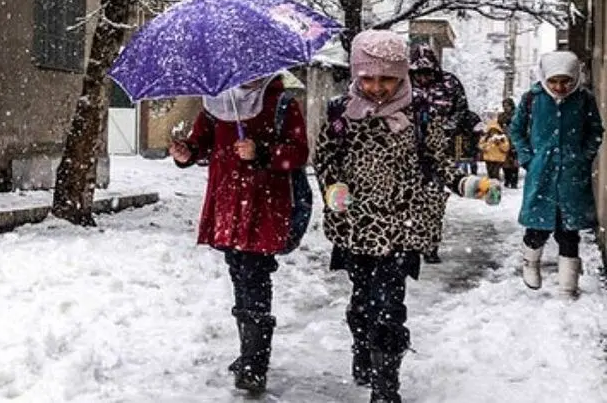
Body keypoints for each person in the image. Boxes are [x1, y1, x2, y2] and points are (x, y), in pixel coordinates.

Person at [315, 31, 501, 403]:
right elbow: (325, 156)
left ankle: (386, 385)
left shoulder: (420, 111)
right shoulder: (341, 110)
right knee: (362, 302)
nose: (377, 87)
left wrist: (467, 184)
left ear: (402, 75)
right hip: (355, 226)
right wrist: (333, 188)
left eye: (387, 79)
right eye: (368, 78)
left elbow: (436, 160)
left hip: (402, 227)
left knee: (390, 307)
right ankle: (363, 347)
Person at [169, 74, 309, 394]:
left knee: (255, 275)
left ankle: (254, 362)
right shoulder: (217, 103)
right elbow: (201, 145)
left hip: (265, 205)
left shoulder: (282, 104)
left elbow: (298, 153)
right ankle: (249, 350)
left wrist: (261, 152)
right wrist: (187, 152)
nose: (250, 75)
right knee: (238, 273)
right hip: (228, 202)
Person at [508, 51, 603, 296]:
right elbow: (516, 130)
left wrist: (584, 157)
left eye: (566, 81)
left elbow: (595, 130)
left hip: (572, 176)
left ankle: (567, 286)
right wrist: (528, 158)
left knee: (569, 232)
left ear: (575, 78)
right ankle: (530, 261)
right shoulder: (532, 98)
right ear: (544, 78)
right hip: (542, 175)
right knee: (537, 229)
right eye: (553, 81)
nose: (559, 87)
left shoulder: (584, 99)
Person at [408, 43, 474, 263]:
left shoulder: (449, 83)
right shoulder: (403, 85)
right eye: (418, 73)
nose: (423, 78)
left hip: (440, 150)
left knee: (434, 199)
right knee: (410, 199)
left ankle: (431, 244)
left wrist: (445, 129)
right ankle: (412, 241)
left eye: (426, 72)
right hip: (409, 151)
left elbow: (461, 110)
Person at [496, 98, 522, 188]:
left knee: (514, 162)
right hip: (505, 140)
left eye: (507, 105)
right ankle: (507, 179)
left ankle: (514, 181)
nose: (506, 107)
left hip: (515, 140)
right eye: (504, 106)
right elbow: (498, 127)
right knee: (505, 162)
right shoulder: (501, 116)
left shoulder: (517, 114)